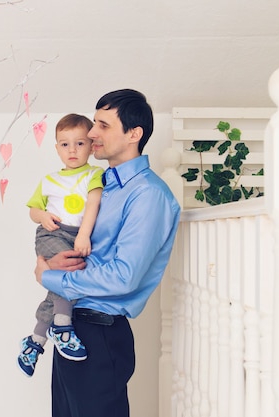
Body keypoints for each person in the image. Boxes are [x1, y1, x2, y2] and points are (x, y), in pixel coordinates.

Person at [34, 89, 180, 417]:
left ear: (134, 134)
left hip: (98, 335)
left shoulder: (148, 195)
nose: (91, 133)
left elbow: (124, 277)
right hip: (71, 325)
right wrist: (53, 260)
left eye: (102, 125)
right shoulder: (100, 185)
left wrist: (50, 277)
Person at [18, 113, 104, 377]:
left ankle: (35, 341)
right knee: (69, 275)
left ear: (91, 145)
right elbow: (33, 209)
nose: (72, 150)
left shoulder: (95, 174)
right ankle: (63, 327)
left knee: (57, 291)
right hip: (51, 235)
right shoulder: (49, 180)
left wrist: (84, 235)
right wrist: (42, 216)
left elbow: (93, 205)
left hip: (77, 234)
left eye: (79, 143)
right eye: (64, 144)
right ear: (56, 148)